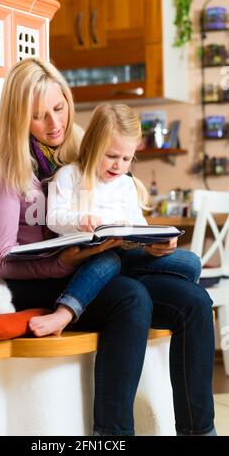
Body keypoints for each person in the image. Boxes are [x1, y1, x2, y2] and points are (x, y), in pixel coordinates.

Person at [0, 57, 216, 436]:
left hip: (89, 263)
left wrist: (146, 239)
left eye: (59, 107)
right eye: (38, 116)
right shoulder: (3, 168)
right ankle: (113, 435)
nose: (55, 123)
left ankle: (199, 431)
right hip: (36, 278)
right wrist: (62, 264)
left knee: (194, 300)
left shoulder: (78, 149)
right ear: (19, 118)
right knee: (131, 297)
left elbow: (115, 198)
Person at [29, 103, 192, 337]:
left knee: (189, 262)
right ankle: (64, 312)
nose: (119, 165)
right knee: (108, 260)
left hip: (125, 251)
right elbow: (53, 218)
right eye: (112, 156)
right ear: (93, 146)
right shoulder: (69, 175)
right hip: (91, 253)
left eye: (127, 158)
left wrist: (154, 241)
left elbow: (136, 220)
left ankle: (156, 296)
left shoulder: (126, 183)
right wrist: (80, 220)